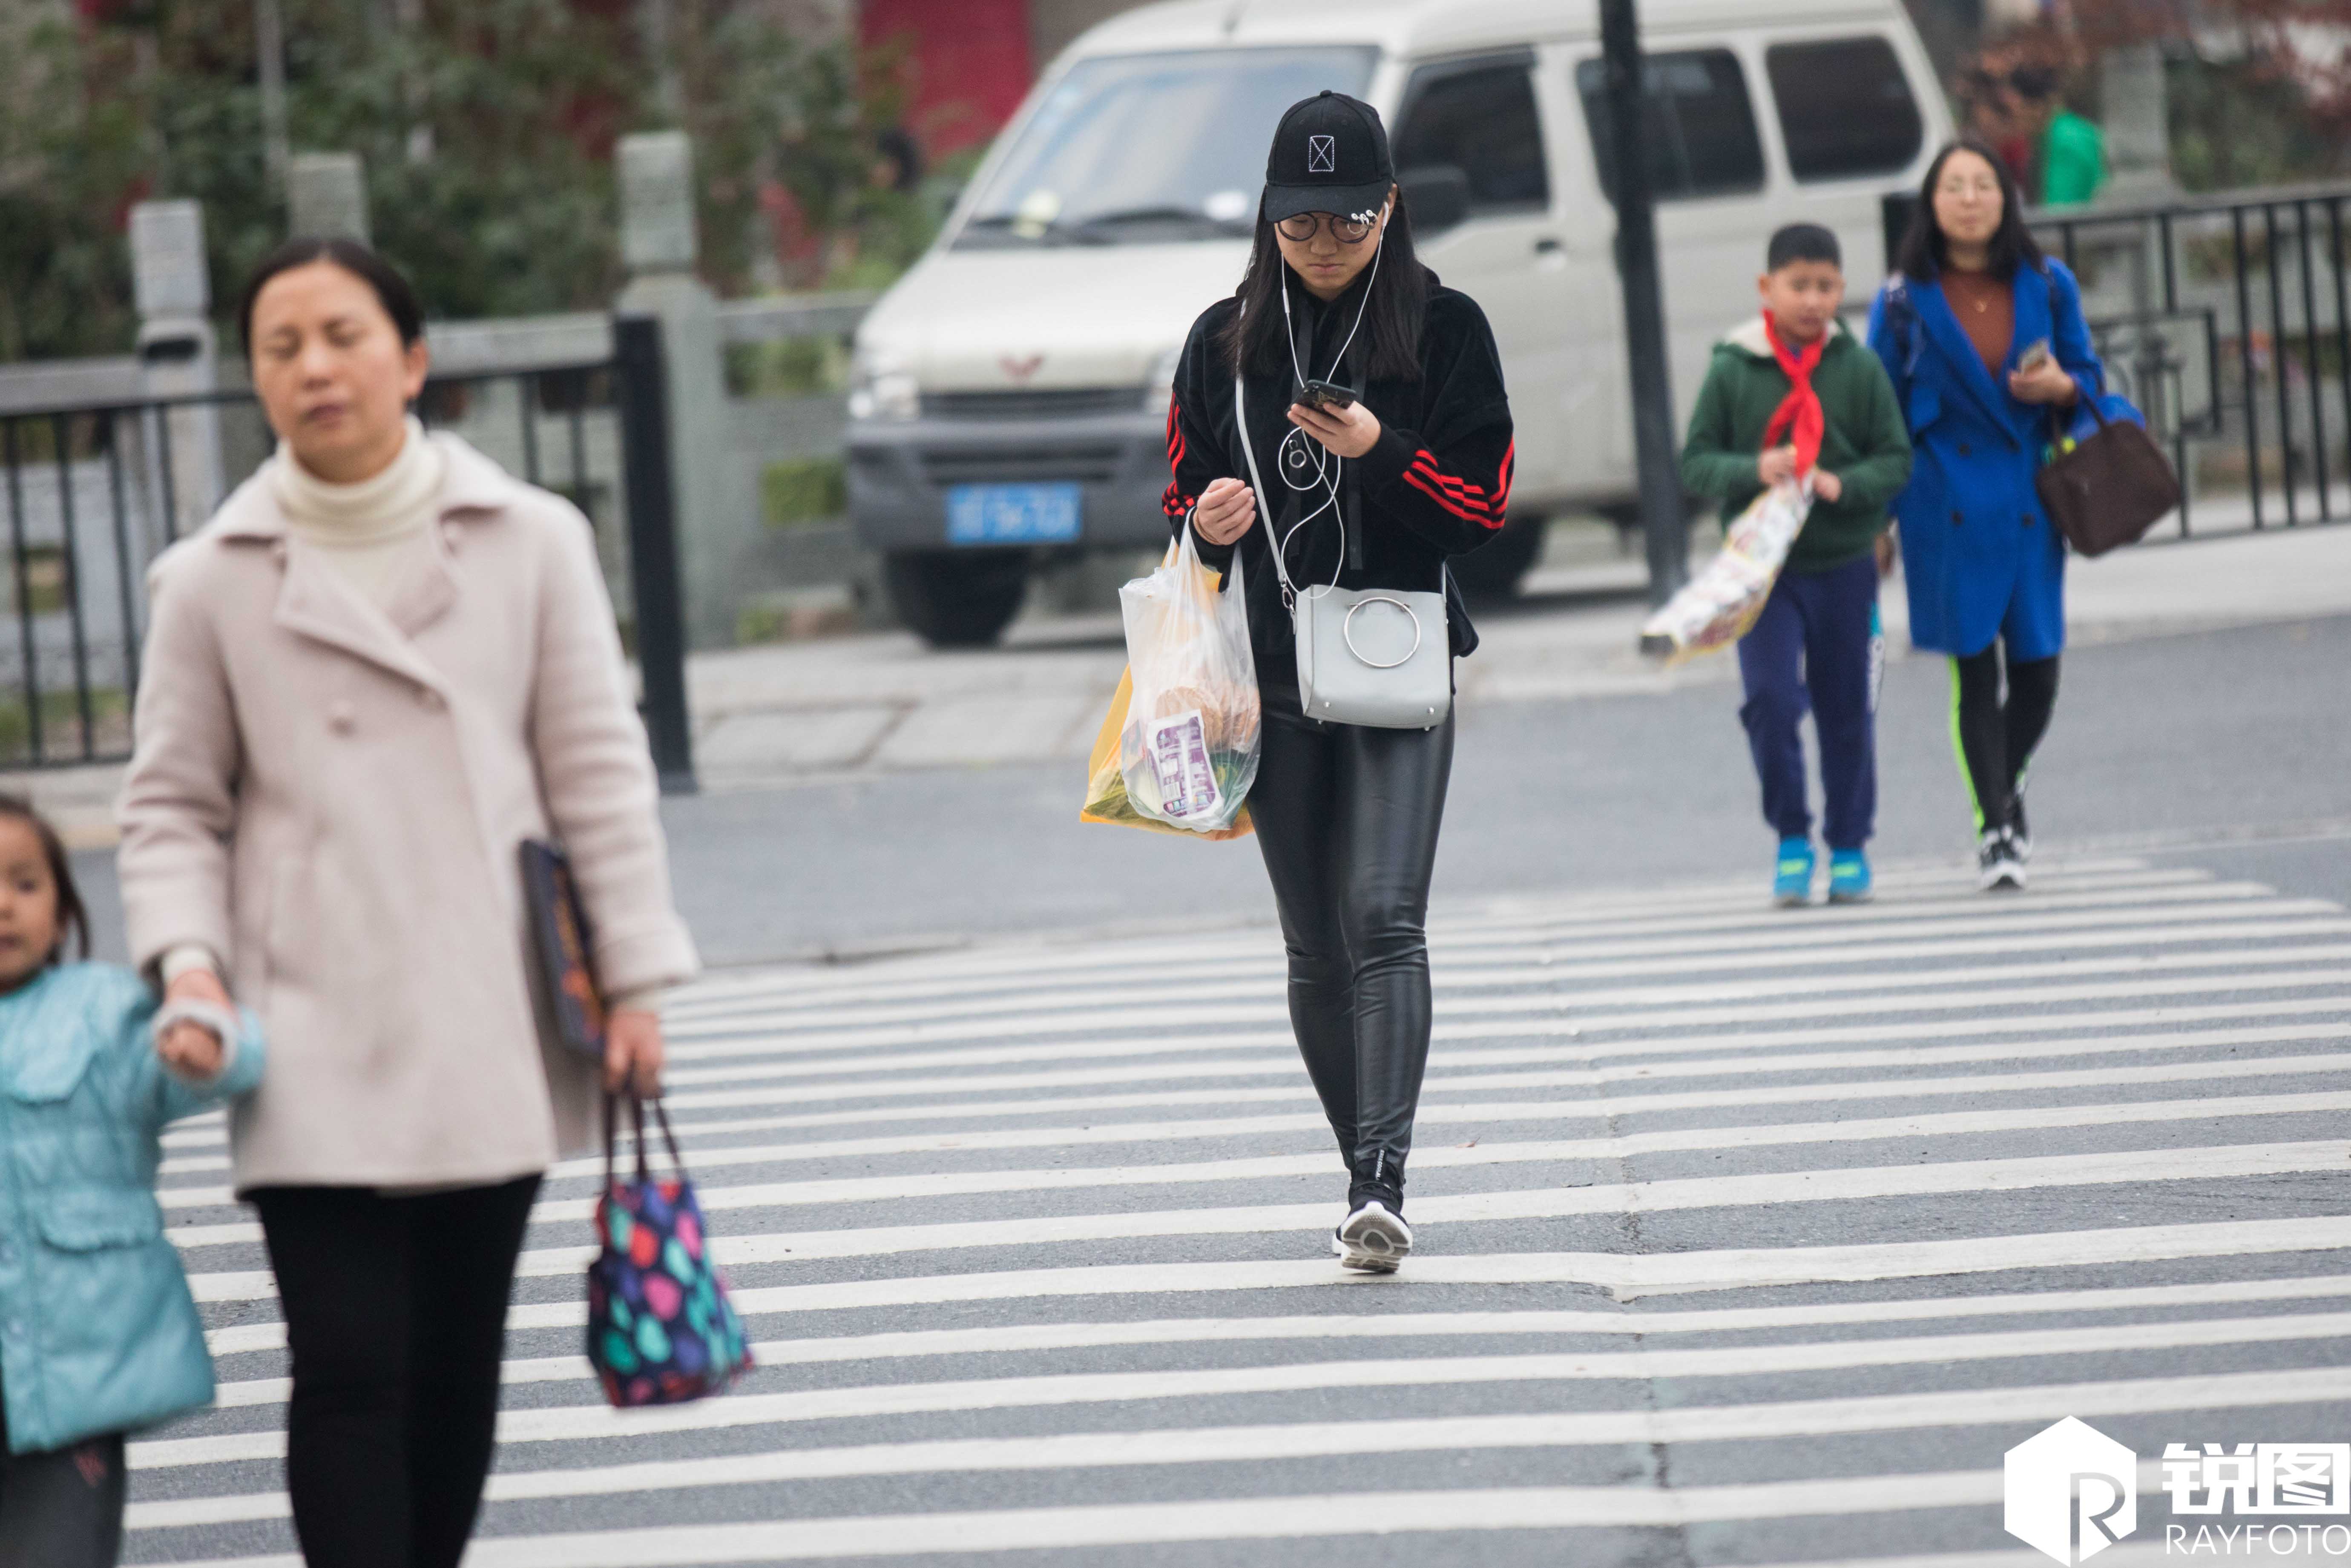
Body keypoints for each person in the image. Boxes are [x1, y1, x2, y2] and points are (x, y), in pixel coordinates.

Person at [115, 238, 699, 1567]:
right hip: (301, 1024)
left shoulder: (531, 542)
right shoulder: (208, 578)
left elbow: (596, 773)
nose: (315, 367)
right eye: (281, 346)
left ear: (413, 360)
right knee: (349, 1367)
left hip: (486, 1011)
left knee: (451, 1373)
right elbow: (172, 806)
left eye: (343, 335)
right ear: (255, 380)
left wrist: (639, 983)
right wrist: (189, 964)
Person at [1159, 91, 1513, 1272]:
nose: (1321, 245)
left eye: (1346, 223)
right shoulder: (1224, 342)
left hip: (1400, 657)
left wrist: (1383, 454)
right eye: (1299, 225)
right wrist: (1207, 523)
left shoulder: (1446, 329)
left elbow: (1487, 503)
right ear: (1269, 219)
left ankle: (1383, 1179)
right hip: (1268, 672)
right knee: (1314, 942)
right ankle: (1360, 1167)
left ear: (1390, 211)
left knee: (1383, 915)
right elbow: (1180, 494)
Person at [0, 795, 263, 1568]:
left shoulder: (103, 1014)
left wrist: (208, 1042)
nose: (2, 905)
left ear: (63, 907)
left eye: (25, 883)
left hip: (71, 1381)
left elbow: (223, 1055)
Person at [1868, 140, 2108, 891]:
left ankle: (2004, 783)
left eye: (1984, 185)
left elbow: (2090, 377)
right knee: (1974, 670)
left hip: (2032, 503)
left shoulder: (2048, 282)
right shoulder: (1905, 299)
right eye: (1953, 186)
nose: (1970, 198)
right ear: (1931, 204)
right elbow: (1881, 413)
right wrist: (1878, 516)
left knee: (2038, 673)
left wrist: (2063, 388)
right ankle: (1998, 827)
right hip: (1945, 507)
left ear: (2006, 199)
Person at [1680, 223, 1912, 906]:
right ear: (1767, 289)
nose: (1813, 301)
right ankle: (1791, 836)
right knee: (1772, 701)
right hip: (1762, 571)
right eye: (1798, 286)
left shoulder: (1857, 367)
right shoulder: (1734, 365)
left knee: (1848, 708)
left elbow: (1895, 457)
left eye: (1827, 287)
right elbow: (1696, 462)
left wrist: (1849, 485)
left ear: (1842, 289)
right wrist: (1755, 467)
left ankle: (1848, 843)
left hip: (1843, 562)